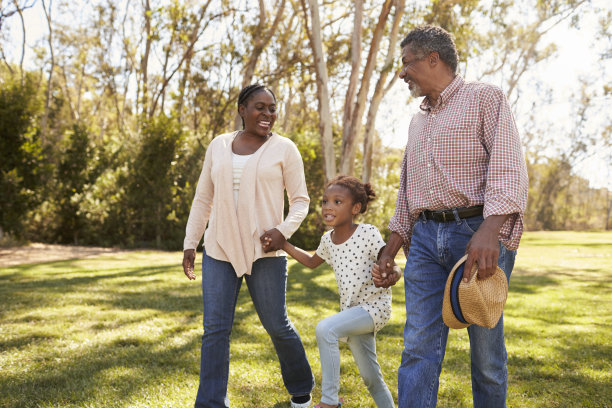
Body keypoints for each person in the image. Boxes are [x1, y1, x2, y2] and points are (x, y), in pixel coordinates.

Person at [372, 25, 529, 408]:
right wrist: (392, 247)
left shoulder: (484, 98)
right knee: (418, 347)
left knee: (486, 356)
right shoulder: (417, 119)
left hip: (476, 235)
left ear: (432, 59)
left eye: (406, 63)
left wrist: (490, 230)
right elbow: (408, 189)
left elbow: (509, 168)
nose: (402, 72)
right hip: (424, 239)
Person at [182, 84, 314, 408]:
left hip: (266, 252)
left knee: (276, 325)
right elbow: (203, 198)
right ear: (242, 109)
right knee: (215, 330)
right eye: (260, 107)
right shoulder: (218, 145)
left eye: (272, 108)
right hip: (219, 249)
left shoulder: (285, 149)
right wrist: (190, 243)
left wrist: (282, 231)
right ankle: (210, 403)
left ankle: (301, 389)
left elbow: (300, 201)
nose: (267, 114)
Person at [265, 175, 401, 408]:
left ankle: (329, 402)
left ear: (355, 208)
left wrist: (393, 275)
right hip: (352, 313)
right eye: (325, 201)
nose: (328, 206)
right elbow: (310, 261)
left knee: (325, 328)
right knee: (372, 379)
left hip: (374, 309)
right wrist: (283, 244)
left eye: (338, 202)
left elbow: (390, 263)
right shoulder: (327, 240)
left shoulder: (367, 233)